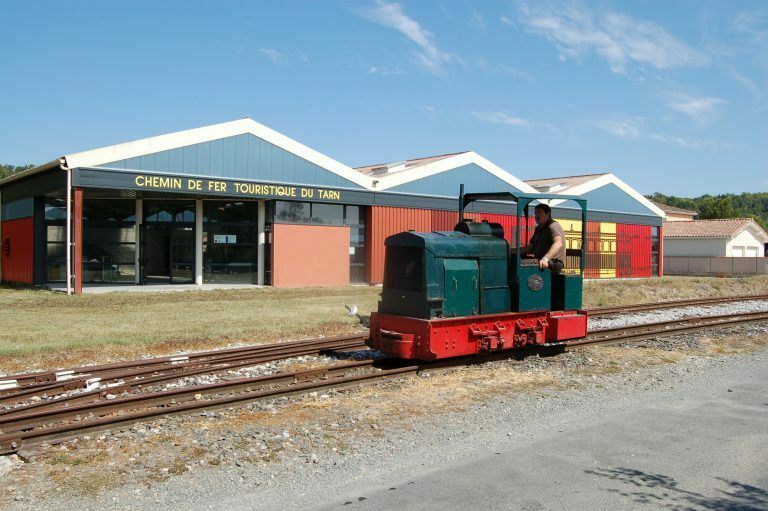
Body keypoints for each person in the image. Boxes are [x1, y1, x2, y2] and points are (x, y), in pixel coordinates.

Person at [518, 203, 566, 274]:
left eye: (540, 213)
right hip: (541, 260)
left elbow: (558, 243)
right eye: (535, 213)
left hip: (554, 263)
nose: (537, 216)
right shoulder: (538, 228)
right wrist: (510, 251)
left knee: (522, 264)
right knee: (518, 260)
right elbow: (530, 247)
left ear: (548, 214)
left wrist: (545, 259)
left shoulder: (553, 226)